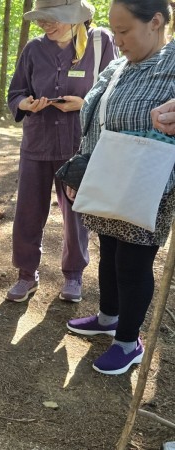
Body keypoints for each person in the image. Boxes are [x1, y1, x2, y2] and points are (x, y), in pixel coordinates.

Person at [66, 0, 175, 375]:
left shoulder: (172, 63)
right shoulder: (117, 66)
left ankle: (128, 343)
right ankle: (108, 317)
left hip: (146, 183)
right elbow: (94, 120)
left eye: (125, 31)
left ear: (155, 22)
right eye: (115, 30)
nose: (117, 39)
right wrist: (80, 173)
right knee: (109, 253)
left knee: (132, 263)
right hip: (107, 177)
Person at [6, 0, 119, 302]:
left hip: (77, 144)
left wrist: (84, 105)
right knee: (28, 210)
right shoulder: (33, 49)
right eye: (41, 19)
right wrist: (24, 104)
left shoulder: (101, 42)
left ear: (73, 16)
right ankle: (26, 274)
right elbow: (16, 91)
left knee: (76, 213)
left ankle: (73, 276)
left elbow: (117, 90)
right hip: (37, 142)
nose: (46, 25)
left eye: (52, 18)